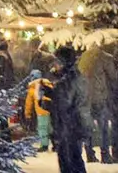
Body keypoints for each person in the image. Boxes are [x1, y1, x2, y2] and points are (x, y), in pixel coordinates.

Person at [50, 45, 90, 173]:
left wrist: (51, 94)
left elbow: (63, 105)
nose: (54, 65)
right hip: (73, 127)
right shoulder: (75, 77)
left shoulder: (67, 81)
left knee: (69, 163)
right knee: (74, 161)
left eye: (57, 61)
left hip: (69, 128)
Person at [80, 42, 118, 164]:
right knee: (103, 128)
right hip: (99, 97)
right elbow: (113, 76)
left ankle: (89, 153)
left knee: (88, 127)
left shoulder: (84, 57)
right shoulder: (105, 57)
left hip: (85, 97)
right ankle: (105, 155)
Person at [25, 70, 55, 151]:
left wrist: (27, 114)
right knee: (51, 127)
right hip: (52, 109)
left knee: (42, 128)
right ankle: (56, 144)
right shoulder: (48, 84)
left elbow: (29, 103)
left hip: (41, 110)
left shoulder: (32, 88)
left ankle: (44, 145)